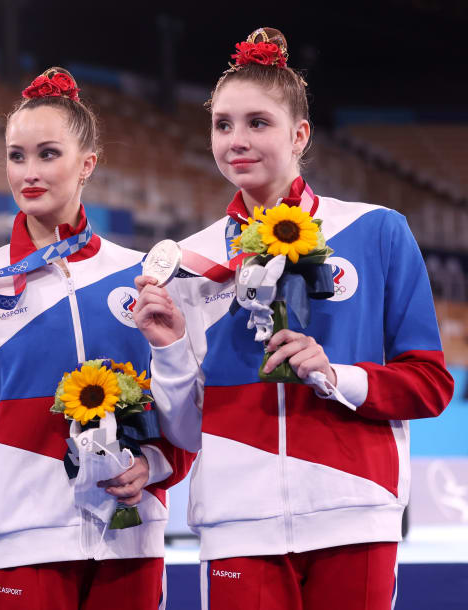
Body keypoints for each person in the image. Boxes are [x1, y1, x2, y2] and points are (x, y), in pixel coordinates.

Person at [134, 28, 454, 609]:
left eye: (259, 123)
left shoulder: (377, 231)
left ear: (300, 134)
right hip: (238, 521)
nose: (237, 140)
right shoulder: (189, 263)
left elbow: (430, 384)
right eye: (223, 124)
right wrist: (168, 351)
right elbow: (184, 432)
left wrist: (339, 376)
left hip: (355, 511)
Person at [0, 68, 193, 610]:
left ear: (88, 165)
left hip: (130, 537)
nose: (29, 173)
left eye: (48, 154)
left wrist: (154, 464)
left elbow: (185, 420)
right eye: (17, 156)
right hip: (22, 537)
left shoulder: (139, 275)